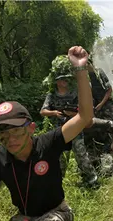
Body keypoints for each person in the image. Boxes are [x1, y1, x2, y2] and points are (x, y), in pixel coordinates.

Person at [0, 46, 93, 221]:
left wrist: (80, 69)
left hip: (56, 212)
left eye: (16, 132)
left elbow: (85, 115)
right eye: (2, 134)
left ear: (30, 128)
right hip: (25, 220)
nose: (10, 140)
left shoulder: (49, 143)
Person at [40, 55, 98, 186]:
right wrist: (54, 112)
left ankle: (91, 180)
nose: (65, 81)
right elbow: (43, 111)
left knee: (81, 155)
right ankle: (58, 182)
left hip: (75, 129)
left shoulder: (74, 93)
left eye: (66, 79)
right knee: (59, 158)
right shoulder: (52, 95)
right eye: (62, 79)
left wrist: (74, 113)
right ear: (57, 81)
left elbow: (85, 110)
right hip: (59, 131)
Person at [87, 55, 113, 121]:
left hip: (105, 102)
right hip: (95, 104)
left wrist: (101, 104)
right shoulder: (86, 76)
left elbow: (109, 89)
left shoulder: (99, 72)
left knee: (109, 123)